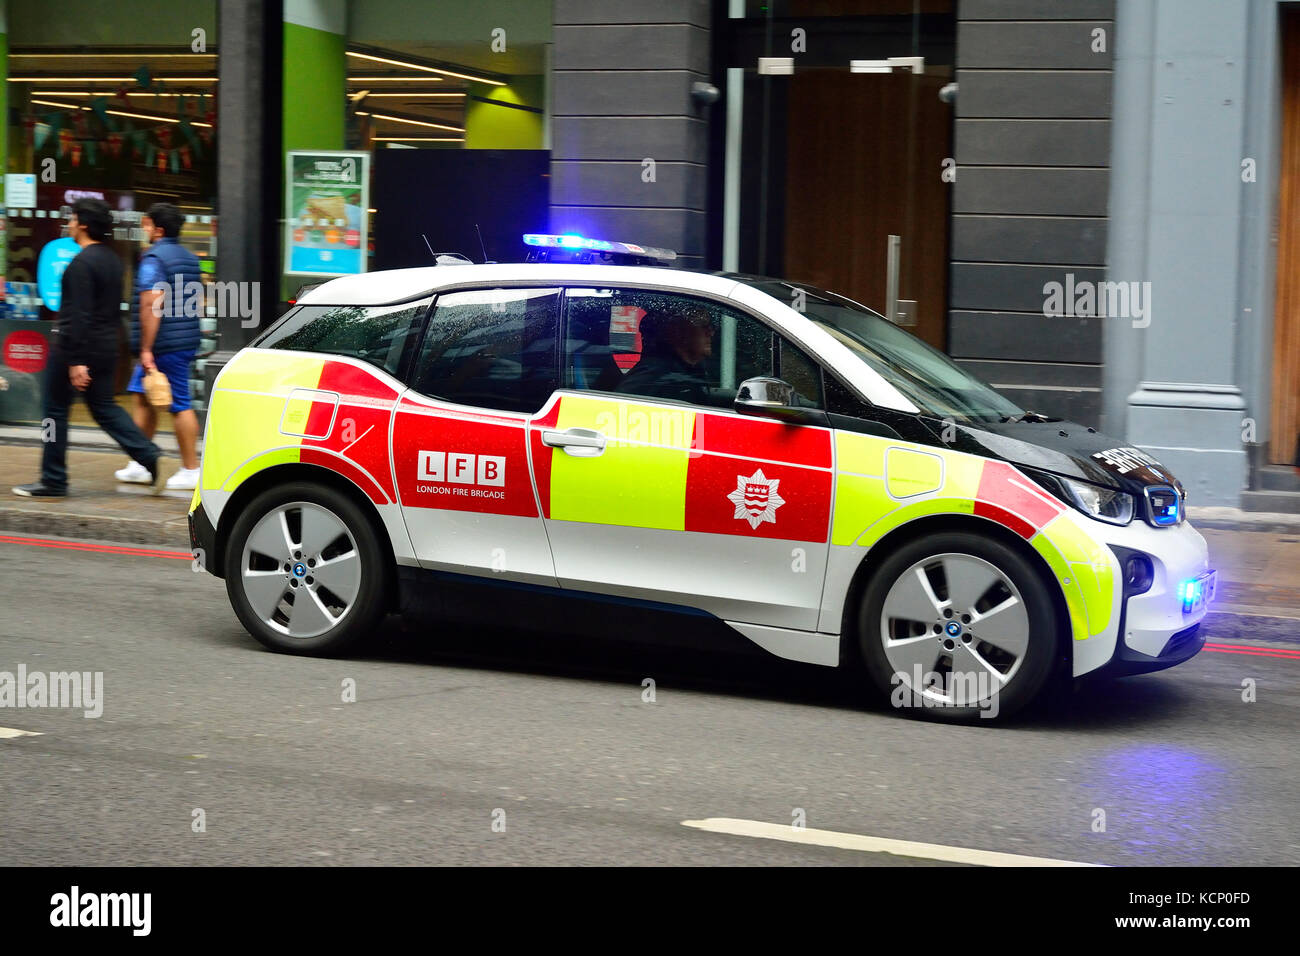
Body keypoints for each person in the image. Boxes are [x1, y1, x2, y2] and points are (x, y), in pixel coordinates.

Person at [13, 199, 170, 498]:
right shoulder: (112, 260)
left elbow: (78, 314)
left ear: (83, 223)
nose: (69, 223)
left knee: (54, 410)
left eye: (72, 218)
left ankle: (53, 479)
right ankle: (150, 456)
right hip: (108, 346)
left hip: (76, 348)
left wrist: (75, 360)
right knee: (105, 408)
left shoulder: (81, 263)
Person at [114, 203, 203, 490]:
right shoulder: (190, 259)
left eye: (147, 224)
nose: (144, 228)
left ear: (158, 229)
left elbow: (152, 303)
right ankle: (141, 462)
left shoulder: (154, 258)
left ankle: (191, 468)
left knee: (179, 404)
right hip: (181, 339)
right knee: (141, 395)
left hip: (164, 344)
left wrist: (146, 349)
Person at [615, 304, 715, 405]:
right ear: (678, 332)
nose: (711, 333)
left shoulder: (693, 369)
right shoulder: (654, 373)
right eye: (704, 326)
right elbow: (619, 409)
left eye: (711, 327)